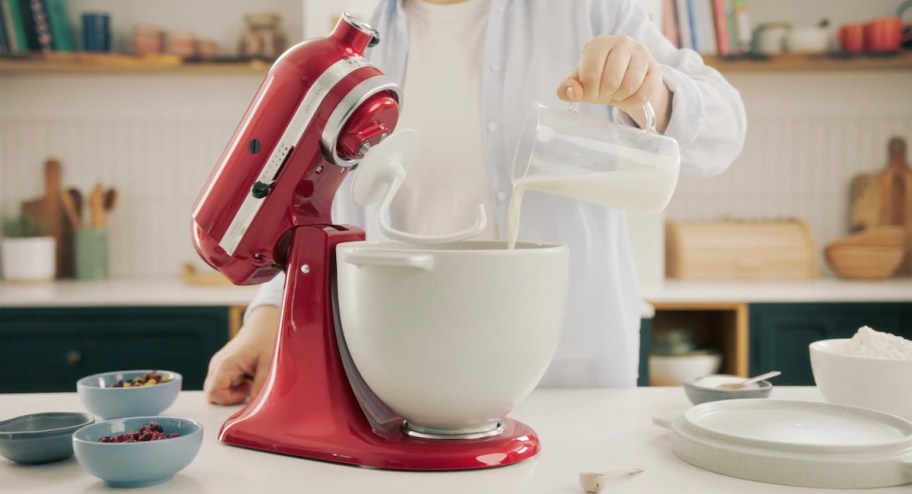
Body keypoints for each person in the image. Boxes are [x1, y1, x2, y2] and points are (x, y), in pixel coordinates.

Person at [205, 0, 746, 405]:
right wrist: (267, 319)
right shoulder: (352, 45)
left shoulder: (588, 9)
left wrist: (650, 92)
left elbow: (725, 133)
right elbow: (316, 214)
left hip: (567, 385)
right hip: (395, 384)